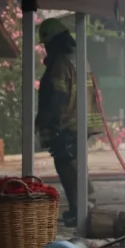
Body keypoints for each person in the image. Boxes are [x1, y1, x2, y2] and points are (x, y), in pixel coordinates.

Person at [36, 18, 103, 227]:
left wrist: (49, 121)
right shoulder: (80, 59)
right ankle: (84, 206)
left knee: (67, 165)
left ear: (53, 42)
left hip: (66, 123)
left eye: (46, 44)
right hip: (81, 121)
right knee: (76, 164)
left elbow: (57, 94)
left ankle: (83, 207)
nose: (46, 49)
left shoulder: (60, 63)